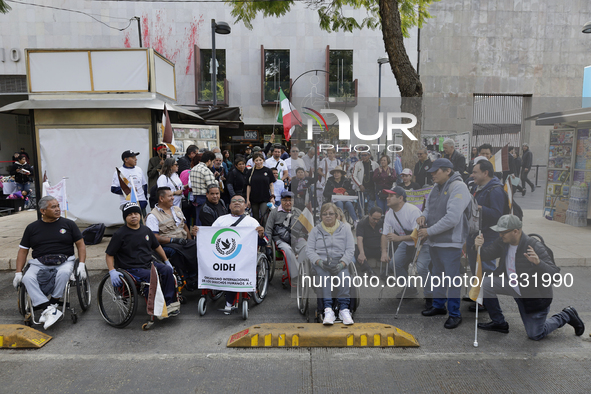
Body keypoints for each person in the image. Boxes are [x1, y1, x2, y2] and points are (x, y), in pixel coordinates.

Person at [474, 215, 585, 340]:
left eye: (503, 232)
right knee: (485, 283)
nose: (500, 235)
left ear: (516, 231)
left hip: (532, 295)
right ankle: (499, 323)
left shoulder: (535, 247)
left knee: (535, 334)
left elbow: (555, 276)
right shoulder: (503, 242)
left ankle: (566, 315)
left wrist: (538, 263)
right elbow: (486, 255)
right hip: (512, 285)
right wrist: (478, 247)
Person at [13, 195, 86, 329]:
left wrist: (81, 264)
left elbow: (80, 244)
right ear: (43, 211)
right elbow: (23, 251)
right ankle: (49, 308)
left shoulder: (68, 224)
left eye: (58, 206)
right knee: (27, 278)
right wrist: (18, 272)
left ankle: (51, 304)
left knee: (64, 273)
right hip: (39, 262)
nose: (58, 209)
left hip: (64, 261)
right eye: (53, 207)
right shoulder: (32, 228)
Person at [417, 158, 470, 329]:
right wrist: (423, 216)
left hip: (451, 242)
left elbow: (452, 219)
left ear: (448, 171)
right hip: (435, 242)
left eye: (435, 171)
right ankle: (439, 305)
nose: (432, 174)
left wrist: (429, 231)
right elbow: (428, 208)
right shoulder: (435, 187)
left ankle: (455, 313)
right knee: (437, 275)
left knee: (452, 279)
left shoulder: (458, 187)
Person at [106, 202, 180, 317]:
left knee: (167, 270)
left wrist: (166, 261)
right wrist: (112, 271)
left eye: (136, 213)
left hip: (148, 263)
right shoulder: (119, 234)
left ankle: (170, 303)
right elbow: (109, 254)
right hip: (131, 267)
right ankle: (155, 308)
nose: (133, 216)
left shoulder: (146, 230)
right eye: (130, 214)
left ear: (140, 215)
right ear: (125, 217)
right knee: (151, 276)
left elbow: (157, 246)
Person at [204, 195, 267, 314]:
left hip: (244, 258)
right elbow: (209, 237)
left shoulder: (252, 222)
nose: (236, 203)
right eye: (233, 201)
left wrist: (261, 234)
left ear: (245, 205)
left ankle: (229, 302)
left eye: (240, 201)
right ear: (229, 206)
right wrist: (199, 232)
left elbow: (263, 242)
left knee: (233, 268)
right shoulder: (220, 220)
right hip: (222, 255)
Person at [381, 186, 432, 305]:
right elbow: (384, 235)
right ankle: (409, 289)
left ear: (400, 198)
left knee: (421, 267)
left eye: (391, 195)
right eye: (387, 195)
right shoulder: (389, 214)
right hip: (407, 242)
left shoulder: (412, 211)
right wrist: (384, 252)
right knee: (395, 263)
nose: (387, 198)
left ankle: (431, 295)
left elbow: (419, 234)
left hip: (423, 243)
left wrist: (399, 238)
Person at [306, 202, 356, 325]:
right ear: (321, 216)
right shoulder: (315, 231)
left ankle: (344, 309)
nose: (328, 216)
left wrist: (342, 264)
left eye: (331, 214)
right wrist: (320, 262)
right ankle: (328, 309)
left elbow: (350, 249)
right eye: (325, 214)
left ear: (336, 215)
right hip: (321, 263)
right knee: (324, 276)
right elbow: (310, 250)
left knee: (344, 277)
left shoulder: (345, 229)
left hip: (339, 262)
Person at [146, 188, 198, 286]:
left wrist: (190, 240)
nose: (173, 198)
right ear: (161, 198)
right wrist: (173, 240)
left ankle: (194, 275)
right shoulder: (153, 216)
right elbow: (154, 238)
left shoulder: (176, 209)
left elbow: (185, 226)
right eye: (170, 196)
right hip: (167, 244)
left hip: (182, 241)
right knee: (178, 252)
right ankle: (185, 278)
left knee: (196, 246)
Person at [467, 160, 505, 274]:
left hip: (487, 237)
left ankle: (486, 291)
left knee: (485, 270)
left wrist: (479, 208)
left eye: (475, 172)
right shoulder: (476, 187)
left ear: (485, 173)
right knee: (476, 270)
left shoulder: (496, 190)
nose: (472, 175)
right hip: (474, 234)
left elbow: (498, 215)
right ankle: (477, 291)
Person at [265, 191, 306, 282]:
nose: (288, 202)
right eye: (285, 200)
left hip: (297, 238)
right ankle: (296, 276)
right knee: (287, 249)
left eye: (290, 200)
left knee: (306, 247)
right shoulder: (274, 212)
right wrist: (268, 245)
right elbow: (268, 229)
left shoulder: (298, 212)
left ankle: (300, 271)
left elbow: (306, 228)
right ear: (281, 201)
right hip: (281, 239)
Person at [246, 152, 275, 225]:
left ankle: (265, 233)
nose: (258, 162)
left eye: (260, 160)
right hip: (254, 197)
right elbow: (248, 186)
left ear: (263, 160)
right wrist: (247, 199)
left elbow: (271, 184)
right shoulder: (250, 172)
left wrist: (272, 196)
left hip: (264, 197)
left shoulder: (268, 171)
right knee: (255, 218)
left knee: (264, 216)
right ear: (253, 161)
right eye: (256, 160)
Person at [189, 151, 216, 226]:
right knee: (205, 219)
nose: (213, 164)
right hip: (204, 197)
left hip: (195, 197)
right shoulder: (206, 170)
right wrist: (217, 181)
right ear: (209, 161)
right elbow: (212, 186)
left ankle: (198, 236)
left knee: (198, 218)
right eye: (213, 162)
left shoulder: (194, 168)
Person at [355, 207, 383, 275]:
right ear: (369, 215)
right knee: (354, 249)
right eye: (374, 219)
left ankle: (387, 271)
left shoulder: (382, 222)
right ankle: (369, 270)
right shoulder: (362, 223)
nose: (376, 221)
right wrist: (362, 253)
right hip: (366, 248)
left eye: (378, 219)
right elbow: (359, 239)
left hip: (379, 248)